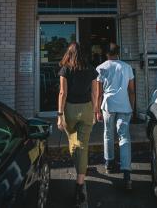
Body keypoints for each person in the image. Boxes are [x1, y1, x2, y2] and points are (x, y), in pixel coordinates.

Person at [57, 42, 98, 206]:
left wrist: (60, 115)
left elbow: (62, 93)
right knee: (83, 145)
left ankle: (80, 177)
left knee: (73, 143)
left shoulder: (65, 69)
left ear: (69, 53)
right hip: (87, 109)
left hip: (70, 110)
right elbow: (95, 92)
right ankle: (80, 181)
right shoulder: (91, 69)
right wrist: (95, 111)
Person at [95, 43, 135, 189]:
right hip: (124, 105)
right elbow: (131, 90)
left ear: (106, 54)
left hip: (108, 105)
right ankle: (127, 173)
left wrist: (97, 110)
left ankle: (109, 162)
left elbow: (99, 93)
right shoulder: (127, 67)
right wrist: (132, 107)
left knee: (108, 134)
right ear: (118, 53)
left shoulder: (101, 68)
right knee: (124, 136)